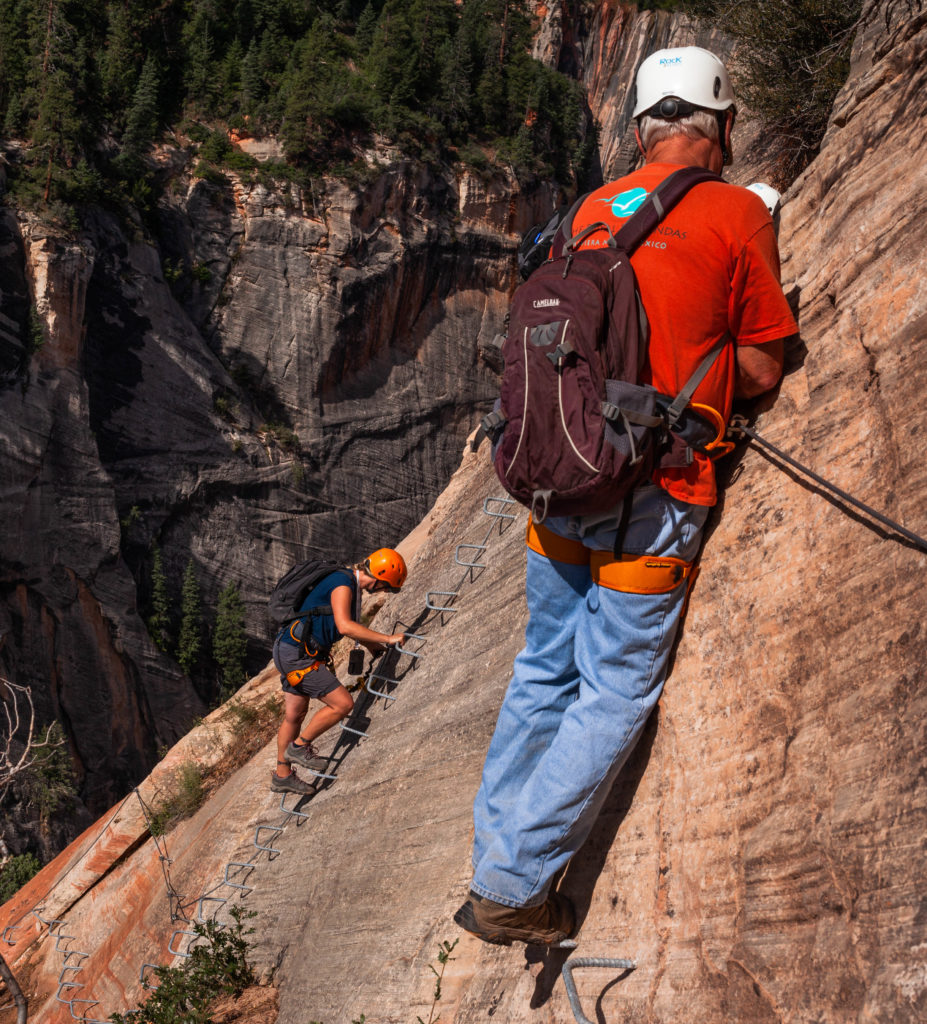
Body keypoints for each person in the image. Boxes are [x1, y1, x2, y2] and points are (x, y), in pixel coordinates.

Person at [455, 46, 798, 945]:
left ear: (641, 130)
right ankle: (512, 883)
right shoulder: (733, 212)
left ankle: (495, 855)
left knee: (540, 673)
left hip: (558, 486)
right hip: (660, 489)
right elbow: (762, 362)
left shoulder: (585, 211)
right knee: (610, 690)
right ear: (718, 128)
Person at [271, 548, 408, 794]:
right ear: (379, 577)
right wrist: (388, 639)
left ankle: (282, 776)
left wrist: (373, 647)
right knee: (343, 704)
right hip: (298, 654)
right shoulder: (343, 582)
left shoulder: (346, 582)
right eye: (386, 586)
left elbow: (343, 624)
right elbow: (345, 626)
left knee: (294, 714)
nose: (385, 591)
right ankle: (300, 747)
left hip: (289, 648)